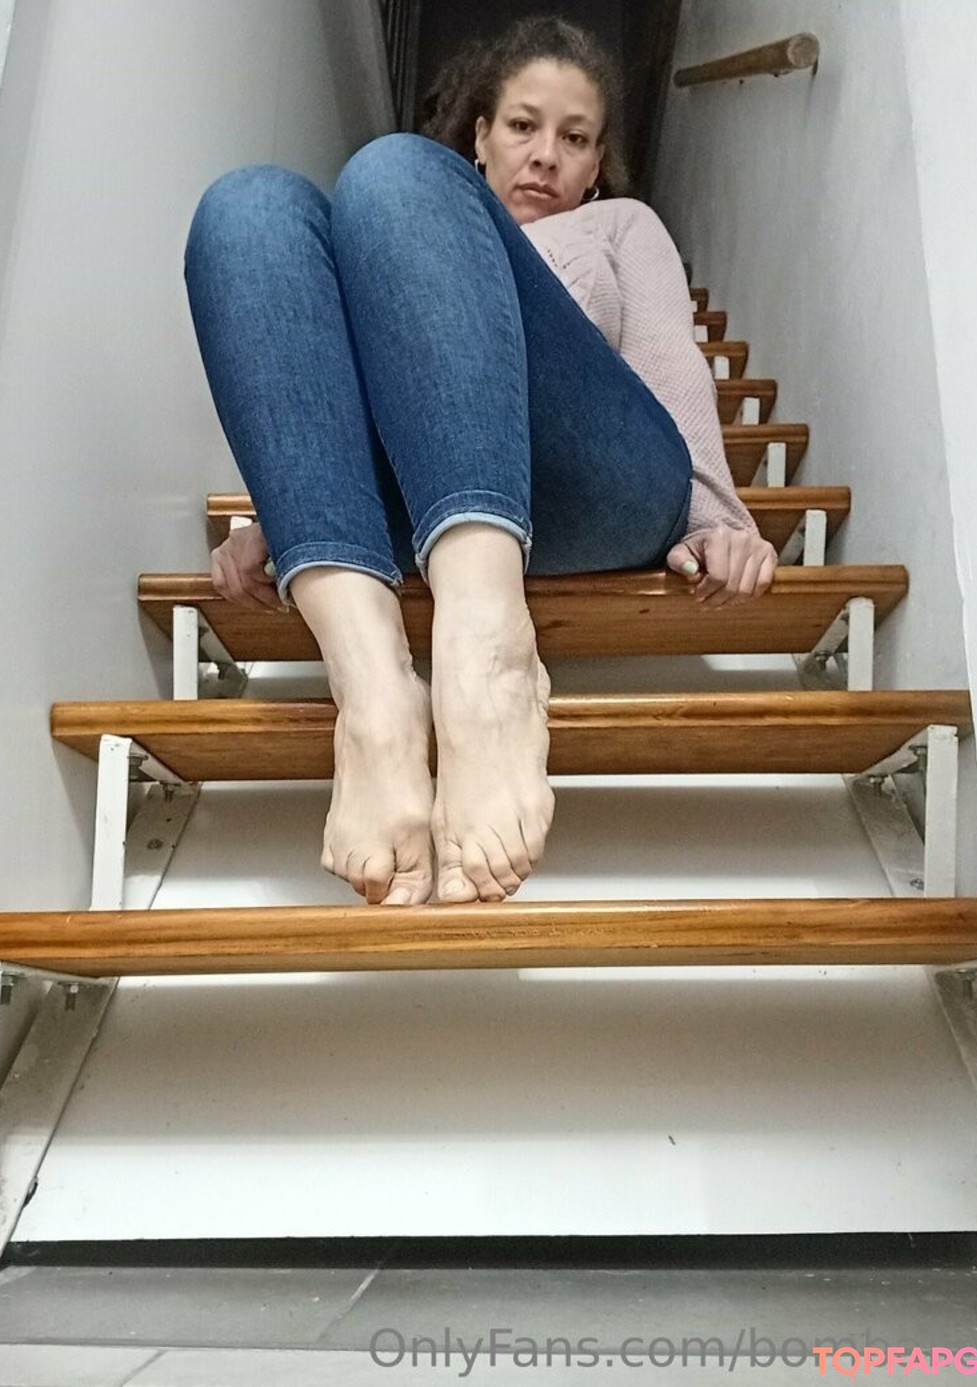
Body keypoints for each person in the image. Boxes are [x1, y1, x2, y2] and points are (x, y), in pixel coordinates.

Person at [183, 15, 777, 912]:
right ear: (483, 133)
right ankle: (374, 697)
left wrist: (715, 516)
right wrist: (287, 512)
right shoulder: (386, 243)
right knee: (246, 211)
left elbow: (668, 359)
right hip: (416, 499)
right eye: (524, 126)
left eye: (574, 138)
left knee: (393, 173)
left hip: (595, 479)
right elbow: (328, 390)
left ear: (598, 162)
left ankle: (488, 653)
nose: (545, 155)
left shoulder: (617, 224)